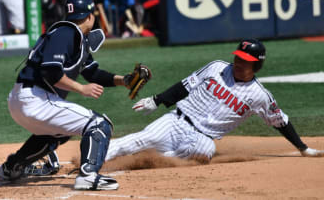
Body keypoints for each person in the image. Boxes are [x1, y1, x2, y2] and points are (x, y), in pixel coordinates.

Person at [0, 0, 137, 191]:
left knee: (58, 133)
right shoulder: (66, 33)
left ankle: (13, 167)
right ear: (89, 17)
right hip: (36, 99)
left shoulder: (75, 36)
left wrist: (124, 80)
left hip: (25, 100)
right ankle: (88, 175)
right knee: (98, 124)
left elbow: (93, 73)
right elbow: (50, 71)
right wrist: (81, 89)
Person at [105, 39, 324, 162]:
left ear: (256, 65)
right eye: (238, 57)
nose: (238, 62)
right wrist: (157, 99)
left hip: (203, 136)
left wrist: (303, 148)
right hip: (176, 121)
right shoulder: (217, 67)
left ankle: (152, 158)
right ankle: (94, 159)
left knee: (205, 151)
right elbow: (185, 85)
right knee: (138, 139)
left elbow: (280, 121)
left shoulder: (260, 96)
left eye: (245, 60)